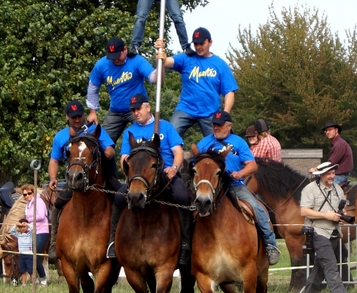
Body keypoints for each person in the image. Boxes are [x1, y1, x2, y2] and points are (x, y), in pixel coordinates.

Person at [106, 93, 192, 265]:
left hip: (165, 175)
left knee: (183, 197)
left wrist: (174, 169)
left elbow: (178, 152)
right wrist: (129, 174)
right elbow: (124, 157)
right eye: (133, 110)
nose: (136, 112)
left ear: (148, 107)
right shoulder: (130, 131)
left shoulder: (165, 127)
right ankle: (113, 241)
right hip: (138, 178)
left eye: (139, 108)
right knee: (118, 197)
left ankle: (185, 243)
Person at [196, 111, 280, 265]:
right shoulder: (204, 143)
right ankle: (186, 246)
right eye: (214, 124)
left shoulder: (239, 142)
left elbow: (252, 165)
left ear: (229, 126)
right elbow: (193, 164)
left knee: (256, 207)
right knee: (190, 209)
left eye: (220, 125)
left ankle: (270, 244)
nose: (216, 127)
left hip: (234, 185)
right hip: (208, 187)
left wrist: (240, 173)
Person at [48, 99, 119, 263]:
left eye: (79, 116)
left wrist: (105, 151)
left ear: (84, 115)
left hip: (100, 178)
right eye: (73, 117)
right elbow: (54, 161)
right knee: (57, 205)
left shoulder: (95, 130)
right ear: (67, 117)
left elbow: (109, 150)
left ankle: (117, 242)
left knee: (121, 198)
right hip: (75, 178)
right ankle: (53, 244)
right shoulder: (61, 136)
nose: (77, 119)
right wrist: (53, 178)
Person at [156, 27, 238, 138]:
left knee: (217, 144)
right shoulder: (186, 58)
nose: (198, 47)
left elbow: (229, 92)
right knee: (169, 136)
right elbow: (165, 61)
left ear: (210, 42)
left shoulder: (220, 64)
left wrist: (225, 114)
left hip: (210, 112)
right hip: (186, 108)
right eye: (196, 44)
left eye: (202, 43)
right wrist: (160, 52)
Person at [86, 36, 160, 144]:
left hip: (136, 109)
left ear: (124, 49)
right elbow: (93, 87)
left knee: (146, 140)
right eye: (112, 57)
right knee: (100, 143)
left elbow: (154, 78)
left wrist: (160, 62)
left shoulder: (136, 60)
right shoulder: (101, 65)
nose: (115, 60)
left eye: (117, 56)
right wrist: (92, 111)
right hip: (115, 111)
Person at [300, 161, 351, 293]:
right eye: (328, 173)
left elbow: (341, 210)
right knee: (330, 265)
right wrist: (326, 216)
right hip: (318, 231)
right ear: (321, 174)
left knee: (319, 268)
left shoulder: (338, 190)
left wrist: (342, 216)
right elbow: (304, 211)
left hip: (334, 232)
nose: (332, 176)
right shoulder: (310, 189)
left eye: (333, 173)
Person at [21, 185, 49, 286]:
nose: (27, 196)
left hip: (41, 231)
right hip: (32, 232)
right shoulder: (28, 205)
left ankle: (43, 278)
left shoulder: (39, 202)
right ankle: (36, 278)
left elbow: (41, 216)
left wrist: (29, 220)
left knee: (35, 255)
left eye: (29, 193)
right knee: (31, 255)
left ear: (33, 193)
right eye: (24, 194)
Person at [320, 120, 354, 185]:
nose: (327, 132)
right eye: (326, 130)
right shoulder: (337, 143)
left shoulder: (339, 144)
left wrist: (317, 169)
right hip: (338, 175)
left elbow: (331, 163)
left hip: (339, 176)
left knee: (325, 191)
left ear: (336, 130)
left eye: (330, 129)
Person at [9, 218, 33, 286]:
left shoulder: (30, 234)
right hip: (21, 255)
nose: (22, 228)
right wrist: (16, 225)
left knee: (31, 271)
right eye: (21, 227)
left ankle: (33, 283)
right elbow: (11, 231)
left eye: (24, 227)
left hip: (29, 254)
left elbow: (34, 229)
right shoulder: (18, 234)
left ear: (27, 227)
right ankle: (24, 283)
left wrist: (28, 224)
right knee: (23, 270)